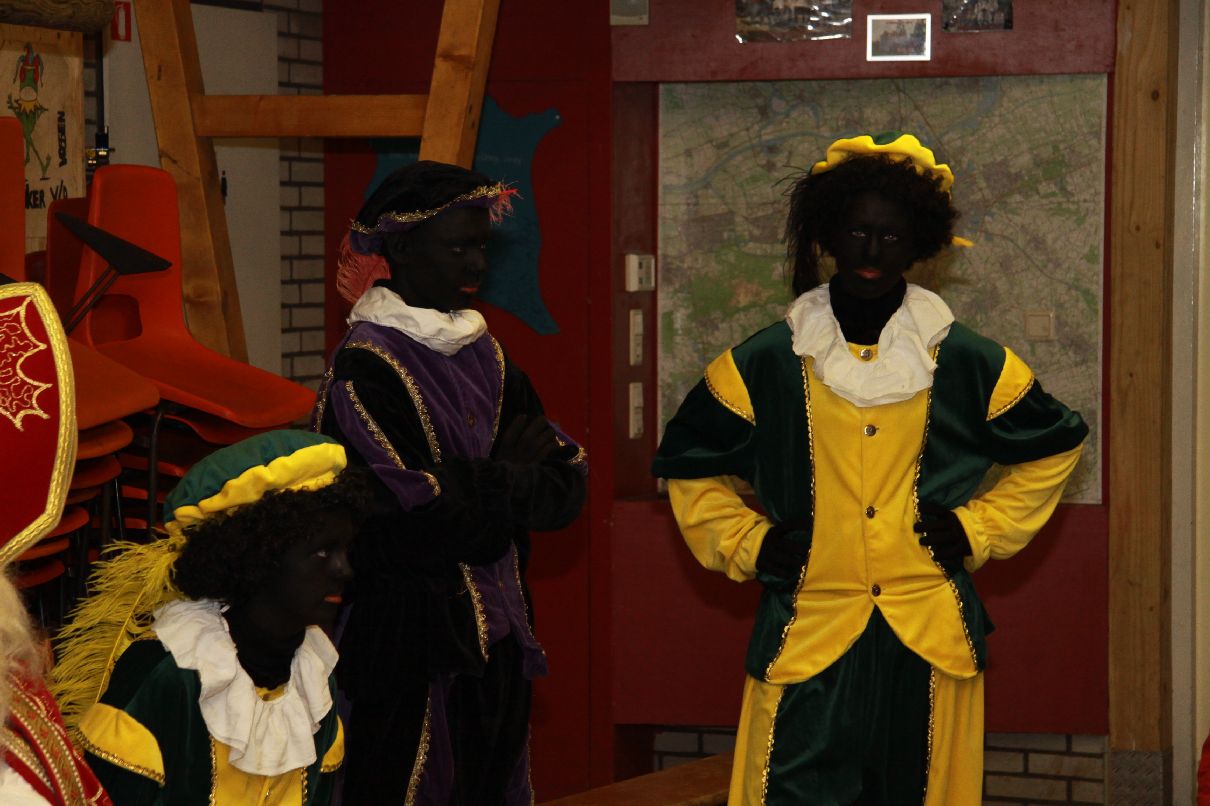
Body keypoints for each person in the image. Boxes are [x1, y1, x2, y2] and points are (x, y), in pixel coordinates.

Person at [652, 133, 1088, 804]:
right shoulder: (763, 363)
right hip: (808, 629)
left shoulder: (969, 361)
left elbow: (1055, 445)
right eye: (857, 231)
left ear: (919, 245)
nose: (873, 251)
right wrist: (749, 542)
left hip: (928, 634)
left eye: (892, 235)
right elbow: (689, 465)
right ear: (828, 235)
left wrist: (978, 529)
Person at [313, 160, 587, 804]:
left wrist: (479, 487)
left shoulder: (488, 355)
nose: (477, 264)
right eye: (458, 247)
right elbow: (402, 524)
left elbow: (564, 485)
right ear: (404, 248)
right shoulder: (366, 369)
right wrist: (506, 479)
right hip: (406, 648)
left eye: (482, 247)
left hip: (500, 639)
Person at [52, 431, 368, 806]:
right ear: (257, 557)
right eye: (322, 552)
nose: (344, 569)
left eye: (345, 549)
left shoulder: (314, 676)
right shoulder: (168, 675)